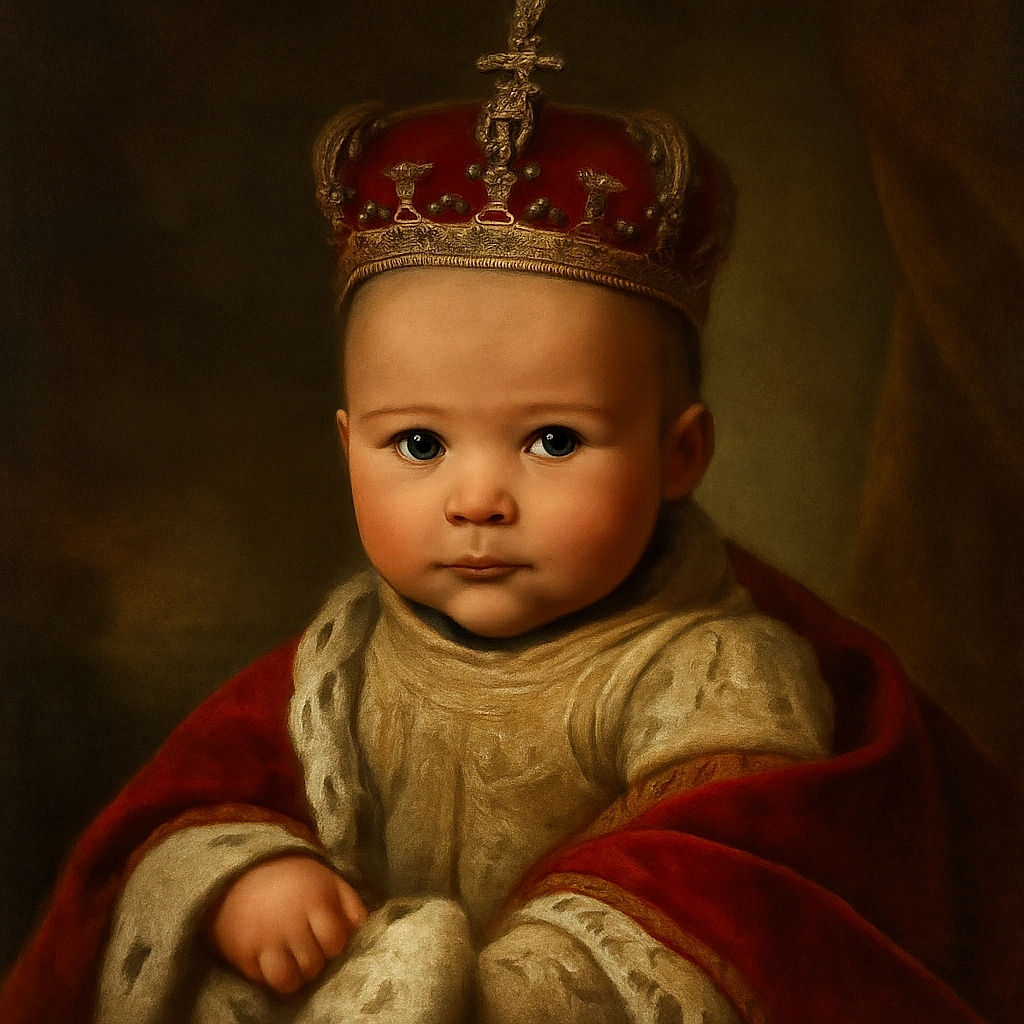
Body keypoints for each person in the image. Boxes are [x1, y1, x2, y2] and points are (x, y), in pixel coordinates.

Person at [1, 3, 1020, 1023]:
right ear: (345, 446)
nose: (478, 499)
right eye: (419, 445)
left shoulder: (717, 670)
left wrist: (487, 988)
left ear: (682, 456)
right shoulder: (343, 656)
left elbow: (727, 879)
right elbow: (189, 811)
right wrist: (242, 878)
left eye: (553, 441)